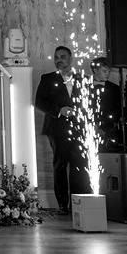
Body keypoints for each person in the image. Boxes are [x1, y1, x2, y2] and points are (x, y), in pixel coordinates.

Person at [34, 45, 90, 213]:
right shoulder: (47, 79)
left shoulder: (82, 79)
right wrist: (60, 110)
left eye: (63, 56)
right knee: (60, 164)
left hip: (79, 128)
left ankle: (78, 202)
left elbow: (89, 104)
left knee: (79, 165)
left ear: (70, 59)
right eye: (56, 57)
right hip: (56, 128)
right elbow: (40, 102)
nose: (59, 60)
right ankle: (62, 205)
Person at [89, 56, 123, 153]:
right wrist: (91, 126)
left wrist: (102, 127)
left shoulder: (115, 89)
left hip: (108, 131)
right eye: (105, 71)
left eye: (109, 71)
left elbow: (117, 110)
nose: (108, 74)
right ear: (95, 70)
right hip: (86, 130)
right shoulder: (83, 86)